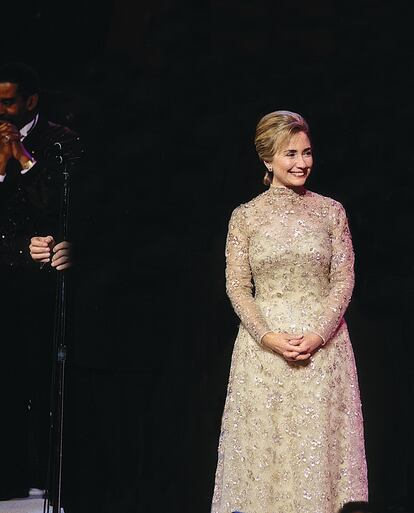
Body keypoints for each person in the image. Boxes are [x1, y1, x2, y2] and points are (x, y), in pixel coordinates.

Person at [211, 110, 368, 513]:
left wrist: (318, 334)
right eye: (290, 154)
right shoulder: (245, 216)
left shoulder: (331, 211)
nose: (302, 163)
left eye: (307, 152)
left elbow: (344, 280)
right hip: (263, 355)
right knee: (267, 456)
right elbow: (236, 286)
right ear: (267, 160)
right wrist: (266, 336)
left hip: (324, 350)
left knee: (319, 455)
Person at [0, 61, 80, 500]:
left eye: (8, 100)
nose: (1, 109)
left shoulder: (60, 142)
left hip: (43, 289)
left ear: (30, 101)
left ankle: (46, 482)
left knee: (41, 384)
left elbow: (60, 209)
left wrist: (24, 158)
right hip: (4, 277)